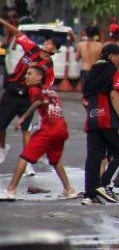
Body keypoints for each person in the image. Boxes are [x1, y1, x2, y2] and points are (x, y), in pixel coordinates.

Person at [0, 66, 76, 201]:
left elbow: (39, 101)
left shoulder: (35, 89)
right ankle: (68, 189)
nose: (26, 76)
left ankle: (10, 190)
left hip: (49, 129)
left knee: (25, 156)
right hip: (61, 128)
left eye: (30, 74)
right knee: (55, 159)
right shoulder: (51, 91)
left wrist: (23, 117)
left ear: (39, 77)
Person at [0, 18, 56, 166]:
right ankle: (1, 148)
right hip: (12, 91)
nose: (46, 44)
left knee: (26, 129)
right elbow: (17, 32)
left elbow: (47, 88)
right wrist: (2, 21)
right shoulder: (32, 48)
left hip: (27, 97)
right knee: (1, 124)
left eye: (50, 44)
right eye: (46, 42)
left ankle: (27, 161)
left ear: (54, 50)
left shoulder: (48, 67)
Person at [81, 44, 119, 205]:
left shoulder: (91, 72)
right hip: (107, 119)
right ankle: (104, 183)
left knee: (93, 157)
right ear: (111, 55)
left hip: (92, 119)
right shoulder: (112, 71)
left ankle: (89, 194)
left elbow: (84, 100)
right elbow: (114, 94)